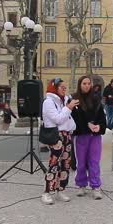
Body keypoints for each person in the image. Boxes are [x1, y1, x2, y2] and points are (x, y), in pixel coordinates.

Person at [41, 77, 79, 205]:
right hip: (56, 136)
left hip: (66, 135)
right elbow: (57, 119)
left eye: (65, 87)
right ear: (55, 88)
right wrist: (68, 107)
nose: (64, 90)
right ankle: (47, 192)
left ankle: (61, 189)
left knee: (66, 164)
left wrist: (68, 108)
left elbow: (66, 118)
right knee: (54, 164)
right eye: (62, 87)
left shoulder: (63, 101)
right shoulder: (48, 102)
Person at [71, 76, 107, 200]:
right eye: (84, 83)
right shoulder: (75, 99)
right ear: (80, 85)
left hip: (95, 136)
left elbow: (102, 117)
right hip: (81, 135)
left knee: (94, 162)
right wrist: (87, 126)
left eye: (88, 83)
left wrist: (99, 126)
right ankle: (81, 184)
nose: (86, 85)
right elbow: (74, 118)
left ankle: (96, 186)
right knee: (81, 162)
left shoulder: (96, 99)